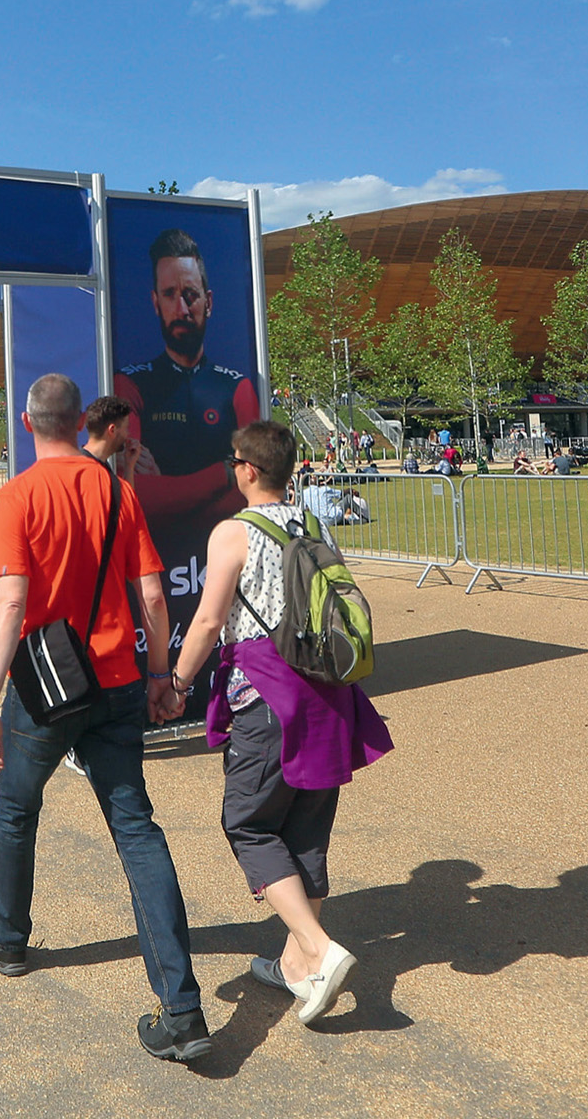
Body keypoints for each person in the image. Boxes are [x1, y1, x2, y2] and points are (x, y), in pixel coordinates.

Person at [0, 374, 211, 1063]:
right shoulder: (116, 490)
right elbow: (154, 596)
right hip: (119, 684)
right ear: (80, 422)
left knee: (17, 808)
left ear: (24, 421)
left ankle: (8, 935)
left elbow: (9, 606)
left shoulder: (18, 495)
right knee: (135, 827)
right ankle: (182, 1008)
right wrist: (163, 677)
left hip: (45, 688)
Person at [168, 419, 393, 1027]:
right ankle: (297, 965)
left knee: (248, 822)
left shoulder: (232, 533)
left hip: (269, 695)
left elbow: (211, 621)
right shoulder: (315, 524)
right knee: (308, 827)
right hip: (328, 692)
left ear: (245, 467)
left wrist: (178, 684)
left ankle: (318, 951)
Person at [113, 229, 259, 533]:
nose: (181, 309)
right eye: (169, 294)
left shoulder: (237, 389)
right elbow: (138, 495)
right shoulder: (130, 386)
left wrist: (169, 487)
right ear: (155, 302)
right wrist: (226, 473)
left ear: (208, 302)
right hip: (160, 565)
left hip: (225, 560)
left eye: (190, 295)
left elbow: (256, 488)